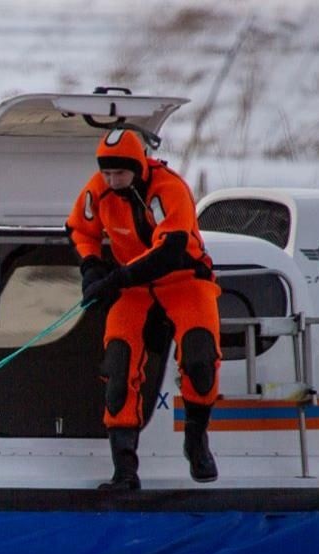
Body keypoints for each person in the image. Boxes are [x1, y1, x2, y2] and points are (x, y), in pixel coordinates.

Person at [67, 128, 222, 490]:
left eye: (119, 173)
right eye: (106, 173)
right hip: (133, 289)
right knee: (118, 368)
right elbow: (81, 230)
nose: (111, 180)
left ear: (138, 167)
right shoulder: (99, 190)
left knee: (200, 358)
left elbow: (170, 248)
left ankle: (196, 440)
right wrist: (92, 269)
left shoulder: (169, 189)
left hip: (184, 280)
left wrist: (117, 278)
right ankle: (124, 470)